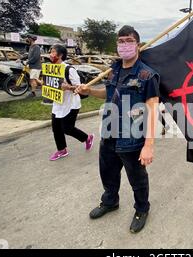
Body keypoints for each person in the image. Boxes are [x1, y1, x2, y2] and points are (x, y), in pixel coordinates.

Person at [76, 25, 159, 233]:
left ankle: (142, 208)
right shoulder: (114, 70)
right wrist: (89, 91)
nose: (124, 45)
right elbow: (108, 92)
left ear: (137, 45)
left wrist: (149, 145)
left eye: (129, 41)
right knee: (108, 174)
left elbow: (152, 109)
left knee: (137, 179)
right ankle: (110, 201)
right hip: (109, 132)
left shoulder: (147, 75)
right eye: (121, 41)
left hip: (132, 137)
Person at [47, 44, 94, 161]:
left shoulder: (69, 69)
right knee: (56, 128)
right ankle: (62, 150)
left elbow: (80, 88)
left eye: (53, 52)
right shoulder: (50, 69)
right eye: (50, 52)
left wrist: (67, 87)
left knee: (67, 128)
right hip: (58, 103)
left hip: (71, 104)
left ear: (60, 55)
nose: (50, 54)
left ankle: (87, 138)